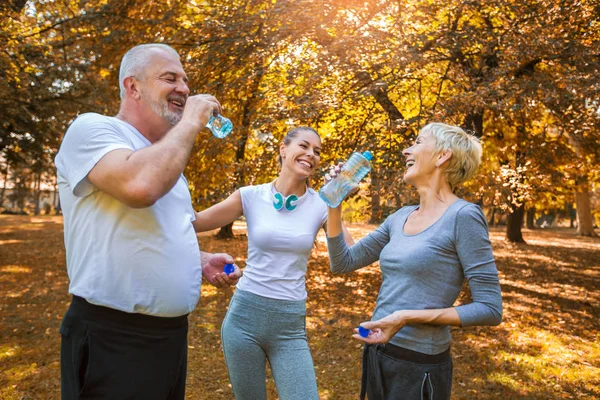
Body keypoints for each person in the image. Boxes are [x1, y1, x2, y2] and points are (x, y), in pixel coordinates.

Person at [54, 43, 242, 400]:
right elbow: (139, 188)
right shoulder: (92, 129)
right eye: (169, 78)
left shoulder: (165, 160)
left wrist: (197, 260)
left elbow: (155, 227)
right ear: (133, 86)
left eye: (185, 81)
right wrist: (189, 123)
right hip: (114, 338)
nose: (184, 89)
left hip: (170, 338)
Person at [325, 123, 503, 400]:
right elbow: (343, 262)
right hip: (379, 353)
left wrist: (406, 318)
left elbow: (490, 309)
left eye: (418, 142)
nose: (407, 150)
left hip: (420, 366)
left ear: (443, 156)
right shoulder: (400, 217)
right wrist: (334, 203)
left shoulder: (463, 216)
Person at [192, 127, 353, 400]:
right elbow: (194, 223)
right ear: (283, 148)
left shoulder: (322, 204)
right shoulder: (250, 196)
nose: (311, 154)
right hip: (243, 319)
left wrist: (335, 202)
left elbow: (348, 257)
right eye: (303, 146)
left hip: (289, 327)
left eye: (317, 151)